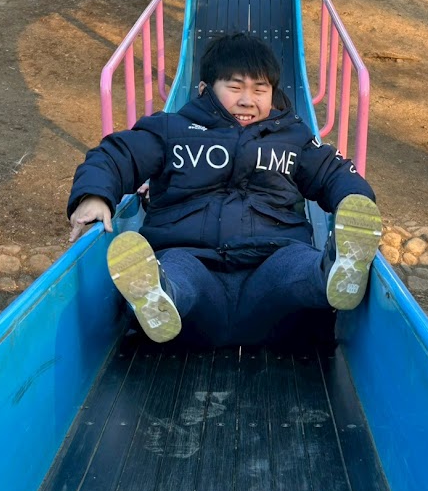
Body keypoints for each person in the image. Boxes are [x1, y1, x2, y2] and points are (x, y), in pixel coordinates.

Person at [68, 33, 381, 348]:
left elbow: (333, 171)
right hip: (194, 266)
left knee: (297, 266)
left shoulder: (292, 138)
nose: (248, 100)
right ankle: (157, 294)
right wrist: (94, 194)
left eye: (260, 89)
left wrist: (353, 200)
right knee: (179, 272)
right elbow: (117, 154)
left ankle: (335, 271)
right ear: (205, 90)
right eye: (235, 87)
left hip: (270, 267)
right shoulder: (171, 131)